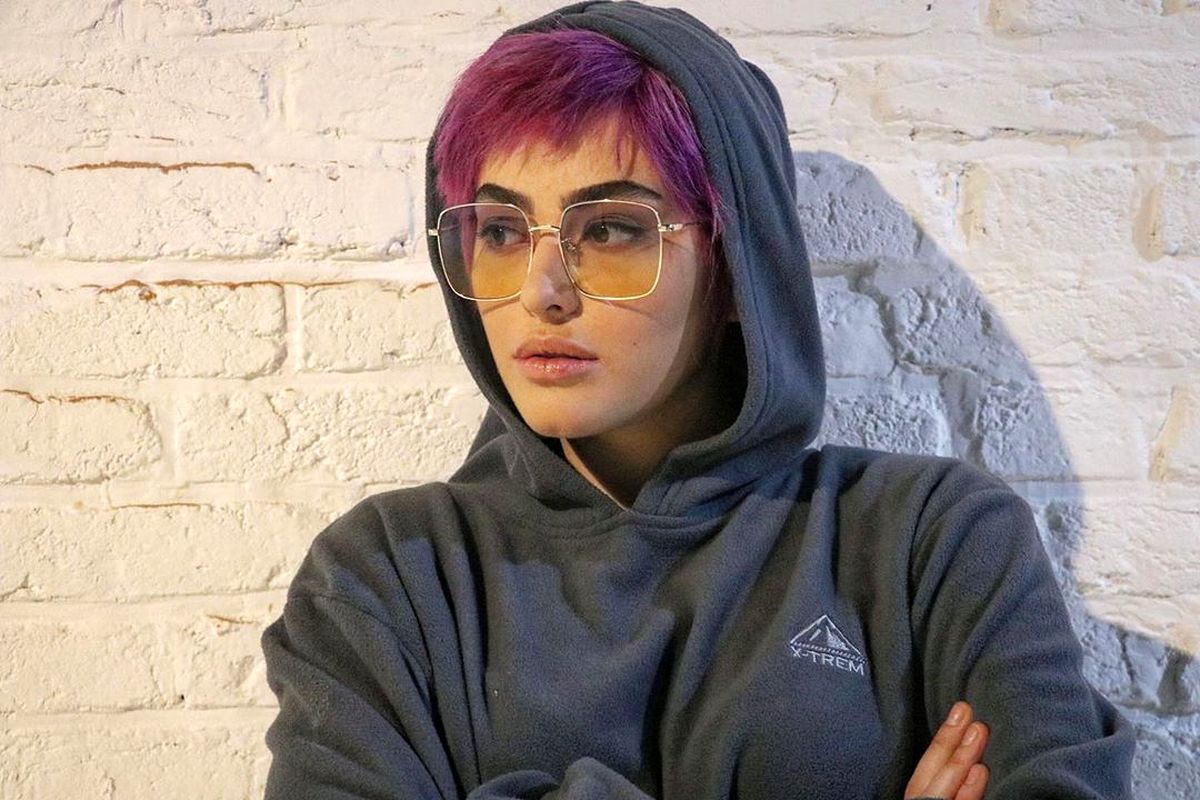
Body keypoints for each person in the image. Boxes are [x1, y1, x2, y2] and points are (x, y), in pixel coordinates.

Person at [259, 2, 1136, 798]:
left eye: (609, 229)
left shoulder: (930, 544)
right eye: (500, 230)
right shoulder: (389, 579)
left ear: (734, 265)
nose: (541, 291)